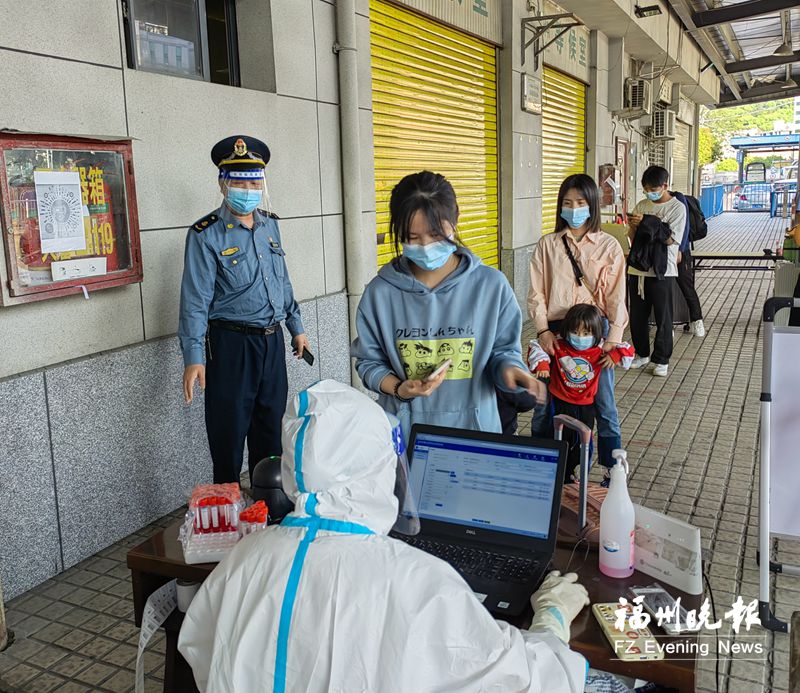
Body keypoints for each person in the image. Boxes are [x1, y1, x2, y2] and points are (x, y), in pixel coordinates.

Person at [178, 380, 590, 692]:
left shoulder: (245, 558)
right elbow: (522, 681)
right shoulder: (419, 582)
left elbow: (198, 647)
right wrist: (551, 619)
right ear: (379, 468)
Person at [351, 171, 545, 440]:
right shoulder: (380, 293)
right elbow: (369, 363)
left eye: (435, 234)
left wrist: (511, 371)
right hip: (407, 437)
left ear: (455, 220)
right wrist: (399, 388)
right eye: (412, 237)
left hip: (476, 435)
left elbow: (503, 351)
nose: (425, 246)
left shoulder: (491, 286)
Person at [179, 135, 310, 484]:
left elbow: (282, 280)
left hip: (272, 343)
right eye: (239, 181)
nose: (248, 189)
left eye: (254, 181)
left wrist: (296, 326)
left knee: (270, 440)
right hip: (231, 346)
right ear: (223, 184)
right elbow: (194, 301)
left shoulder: (271, 224)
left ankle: (267, 514)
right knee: (228, 438)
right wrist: (194, 356)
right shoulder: (205, 235)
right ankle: (230, 523)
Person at [527, 174, 627, 475]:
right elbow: (536, 292)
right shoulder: (548, 244)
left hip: (594, 336)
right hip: (556, 335)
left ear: (592, 205)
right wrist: (543, 331)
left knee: (604, 403)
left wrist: (612, 340)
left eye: (580, 203)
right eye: (567, 203)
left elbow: (616, 296)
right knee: (545, 403)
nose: (573, 209)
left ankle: (612, 470)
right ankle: (544, 464)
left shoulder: (609, 246)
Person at [528, 304, 634, 482]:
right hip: (559, 401)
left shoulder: (600, 347)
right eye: (575, 332)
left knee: (583, 442)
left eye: (586, 334)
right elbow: (536, 347)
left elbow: (627, 350)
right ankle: (552, 470)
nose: (580, 338)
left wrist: (614, 356)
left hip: (586, 406)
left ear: (597, 333)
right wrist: (542, 364)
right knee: (555, 435)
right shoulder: (559, 344)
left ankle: (581, 474)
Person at [627, 166, 687, 377]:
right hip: (638, 269)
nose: (649, 193)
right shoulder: (642, 204)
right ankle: (641, 353)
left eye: (653, 189)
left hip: (664, 271)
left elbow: (672, 240)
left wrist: (650, 223)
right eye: (645, 189)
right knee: (637, 316)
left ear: (665, 186)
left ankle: (661, 359)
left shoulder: (677, 208)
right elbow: (633, 238)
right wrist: (634, 225)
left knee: (663, 317)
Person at [671, 190, 705, 337]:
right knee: (668, 288)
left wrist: (680, 250)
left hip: (680, 252)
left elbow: (684, 228)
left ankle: (697, 322)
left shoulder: (677, 198)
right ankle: (668, 324)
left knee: (686, 287)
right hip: (666, 251)